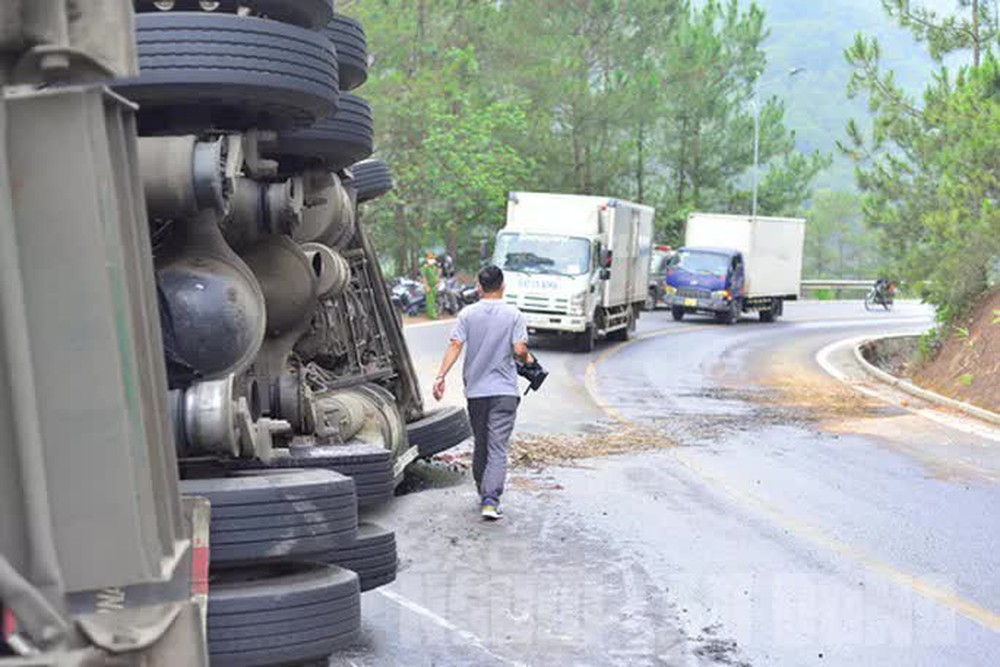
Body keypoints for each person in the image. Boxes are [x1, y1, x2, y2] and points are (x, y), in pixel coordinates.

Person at [433, 265, 534, 521]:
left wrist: (441, 376)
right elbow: (520, 349)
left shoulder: (468, 314)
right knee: (498, 446)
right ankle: (491, 498)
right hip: (505, 392)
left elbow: (455, 345)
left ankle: (483, 491)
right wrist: (528, 360)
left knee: (482, 443)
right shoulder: (514, 315)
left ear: (479, 286)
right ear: (503, 286)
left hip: (476, 391)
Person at [421, 253, 441, 320]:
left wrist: (438, 284)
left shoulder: (434, 267)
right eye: (430, 258)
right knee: (430, 301)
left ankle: (433, 313)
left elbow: (437, 276)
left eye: (433, 258)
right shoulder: (425, 267)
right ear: (427, 259)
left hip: (434, 286)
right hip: (429, 286)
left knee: (434, 301)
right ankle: (432, 315)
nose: (432, 260)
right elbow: (424, 277)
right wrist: (426, 286)